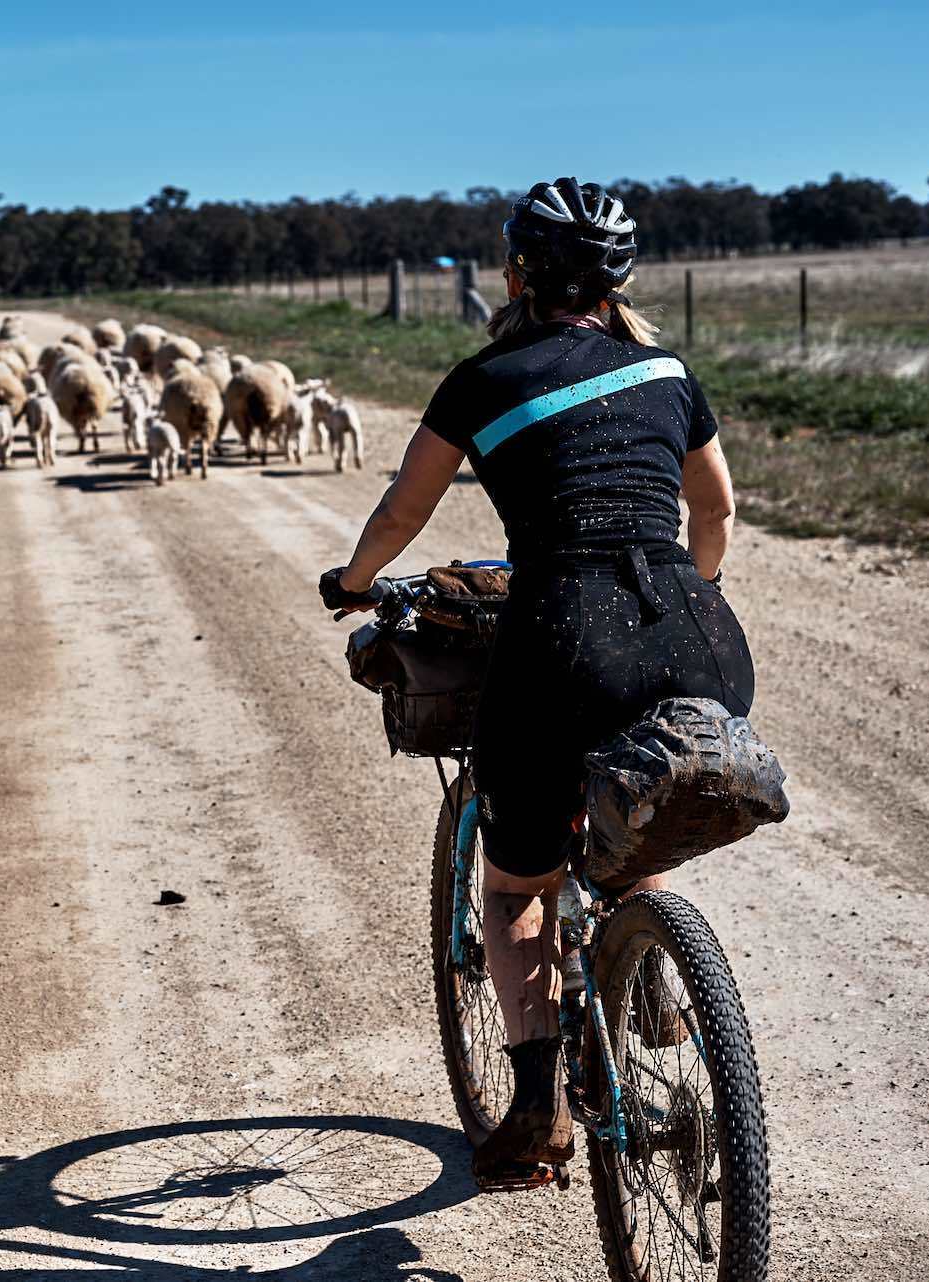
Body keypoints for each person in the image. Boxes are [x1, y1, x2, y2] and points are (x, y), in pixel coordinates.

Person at [318, 178, 754, 1186]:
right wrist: (687, 597)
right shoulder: (668, 370)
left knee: (518, 885)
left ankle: (536, 1106)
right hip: (701, 634)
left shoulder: (483, 379)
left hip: (562, 635)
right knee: (642, 793)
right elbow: (717, 512)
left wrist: (354, 581)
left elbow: (401, 514)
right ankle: (647, 972)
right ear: (616, 283)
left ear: (514, 277)